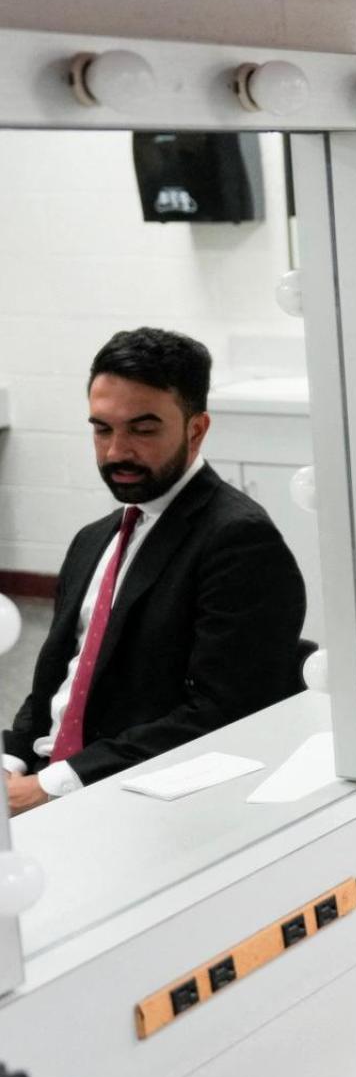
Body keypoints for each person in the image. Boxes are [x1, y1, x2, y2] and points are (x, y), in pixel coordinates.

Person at [3, 329, 306, 812]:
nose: (116, 451)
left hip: (131, 799)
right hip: (51, 781)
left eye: (142, 430)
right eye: (102, 429)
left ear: (196, 429)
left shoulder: (238, 540)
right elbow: (58, 683)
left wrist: (53, 787)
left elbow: (224, 713)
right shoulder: (93, 539)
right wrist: (14, 760)